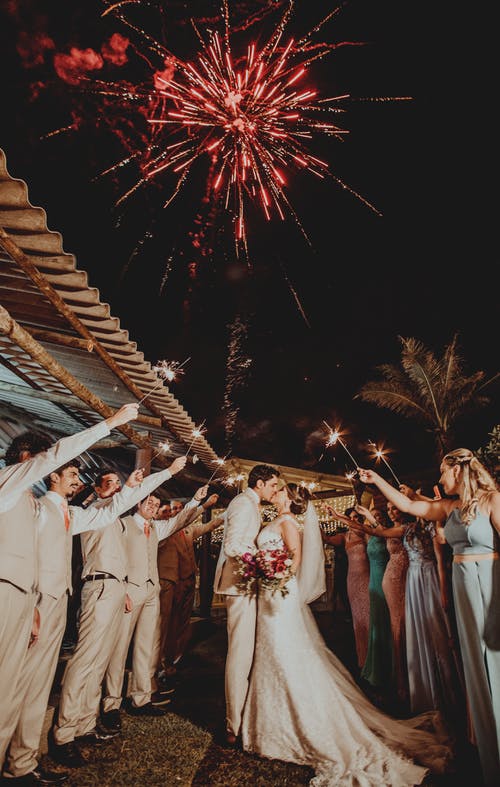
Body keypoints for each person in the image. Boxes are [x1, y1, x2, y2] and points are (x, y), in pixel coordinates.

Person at [241, 482, 454, 786]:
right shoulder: (275, 519)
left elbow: (295, 559)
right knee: (273, 651)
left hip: (280, 593)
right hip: (270, 593)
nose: (275, 491)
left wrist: (276, 574)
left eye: (279, 488)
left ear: (287, 497)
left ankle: (299, 719)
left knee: (284, 650)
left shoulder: (287, 522)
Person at [0, 402, 139, 770]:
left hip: (44, 598)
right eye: (44, 460)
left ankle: (21, 762)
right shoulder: (12, 487)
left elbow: (104, 513)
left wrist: (132, 489)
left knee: (30, 685)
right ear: (27, 459)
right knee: (9, 685)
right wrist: (110, 423)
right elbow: (56, 456)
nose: (52, 467)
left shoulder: (45, 506)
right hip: (17, 594)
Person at [358, 449, 500, 786]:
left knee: (495, 659)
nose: (440, 478)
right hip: (464, 588)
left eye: (443, 471)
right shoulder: (449, 508)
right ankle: (488, 747)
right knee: (475, 665)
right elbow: (409, 506)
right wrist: (377, 480)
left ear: (458, 470)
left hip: (490, 586)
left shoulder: (493, 500)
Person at [50, 455, 186, 768]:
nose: (115, 489)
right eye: (109, 484)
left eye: (117, 484)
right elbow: (125, 499)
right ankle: (64, 733)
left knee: (100, 661)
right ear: (97, 490)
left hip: (116, 588)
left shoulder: (114, 518)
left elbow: (129, 502)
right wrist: (166, 472)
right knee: (85, 660)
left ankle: (85, 724)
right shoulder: (95, 513)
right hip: (98, 586)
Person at [353, 499, 465, 721]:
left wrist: (444, 591)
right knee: (412, 629)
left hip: (427, 578)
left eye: (395, 507)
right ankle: (417, 683)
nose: (392, 511)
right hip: (410, 580)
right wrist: (359, 518)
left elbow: (441, 561)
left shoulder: (431, 528)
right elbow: (379, 532)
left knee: (436, 629)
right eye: (390, 508)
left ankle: (446, 688)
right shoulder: (408, 529)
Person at [213, 463, 280, 746]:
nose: (275, 490)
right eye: (273, 485)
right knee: (239, 653)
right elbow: (232, 546)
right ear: (260, 483)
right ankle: (234, 724)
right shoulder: (243, 503)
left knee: (247, 651)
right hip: (238, 585)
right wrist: (261, 560)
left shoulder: (251, 504)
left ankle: (243, 716)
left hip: (246, 584)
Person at [156, 493, 223, 679]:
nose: (176, 512)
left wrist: (227, 514)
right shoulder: (163, 530)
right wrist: (204, 505)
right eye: (173, 509)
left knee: (183, 622)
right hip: (170, 582)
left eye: (179, 508)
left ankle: (177, 657)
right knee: (167, 623)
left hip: (188, 581)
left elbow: (210, 526)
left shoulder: (188, 531)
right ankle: (163, 662)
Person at [322, 506, 370, 672]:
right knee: (357, 617)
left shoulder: (365, 532)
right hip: (352, 579)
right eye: (351, 518)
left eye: (356, 517)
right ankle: (363, 657)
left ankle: (375, 655)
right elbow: (327, 539)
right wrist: (313, 522)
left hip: (367, 577)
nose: (354, 520)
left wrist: (338, 516)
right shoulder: (345, 536)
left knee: (368, 614)